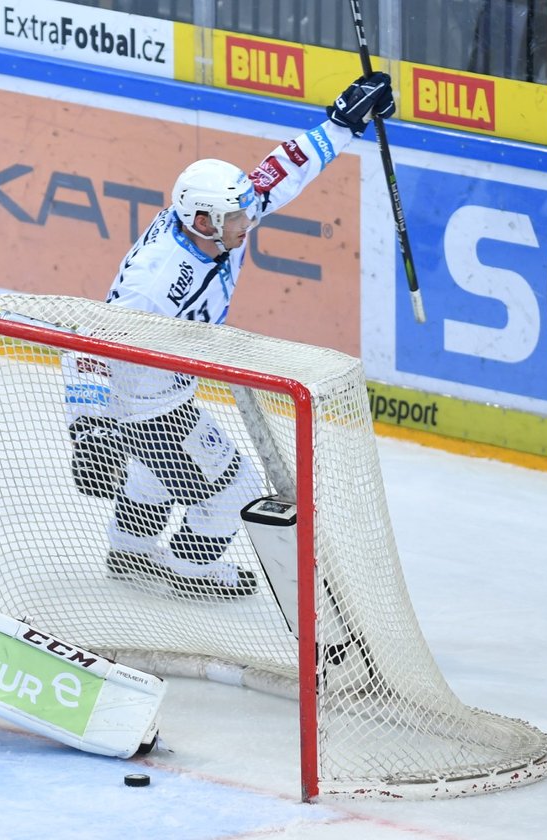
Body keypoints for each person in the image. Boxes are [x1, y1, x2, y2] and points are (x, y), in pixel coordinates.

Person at [66, 72, 396, 599]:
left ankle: (130, 549)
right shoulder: (156, 281)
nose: (248, 220)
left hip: (165, 391)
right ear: (202, 220)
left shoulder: (218, 225)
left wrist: (342, 122)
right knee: (234, 488)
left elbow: (280, 170)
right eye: (235, 215)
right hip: (145, 404)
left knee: (158, 476)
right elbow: (88, 342)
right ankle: (193, 569)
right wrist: (86, 428)